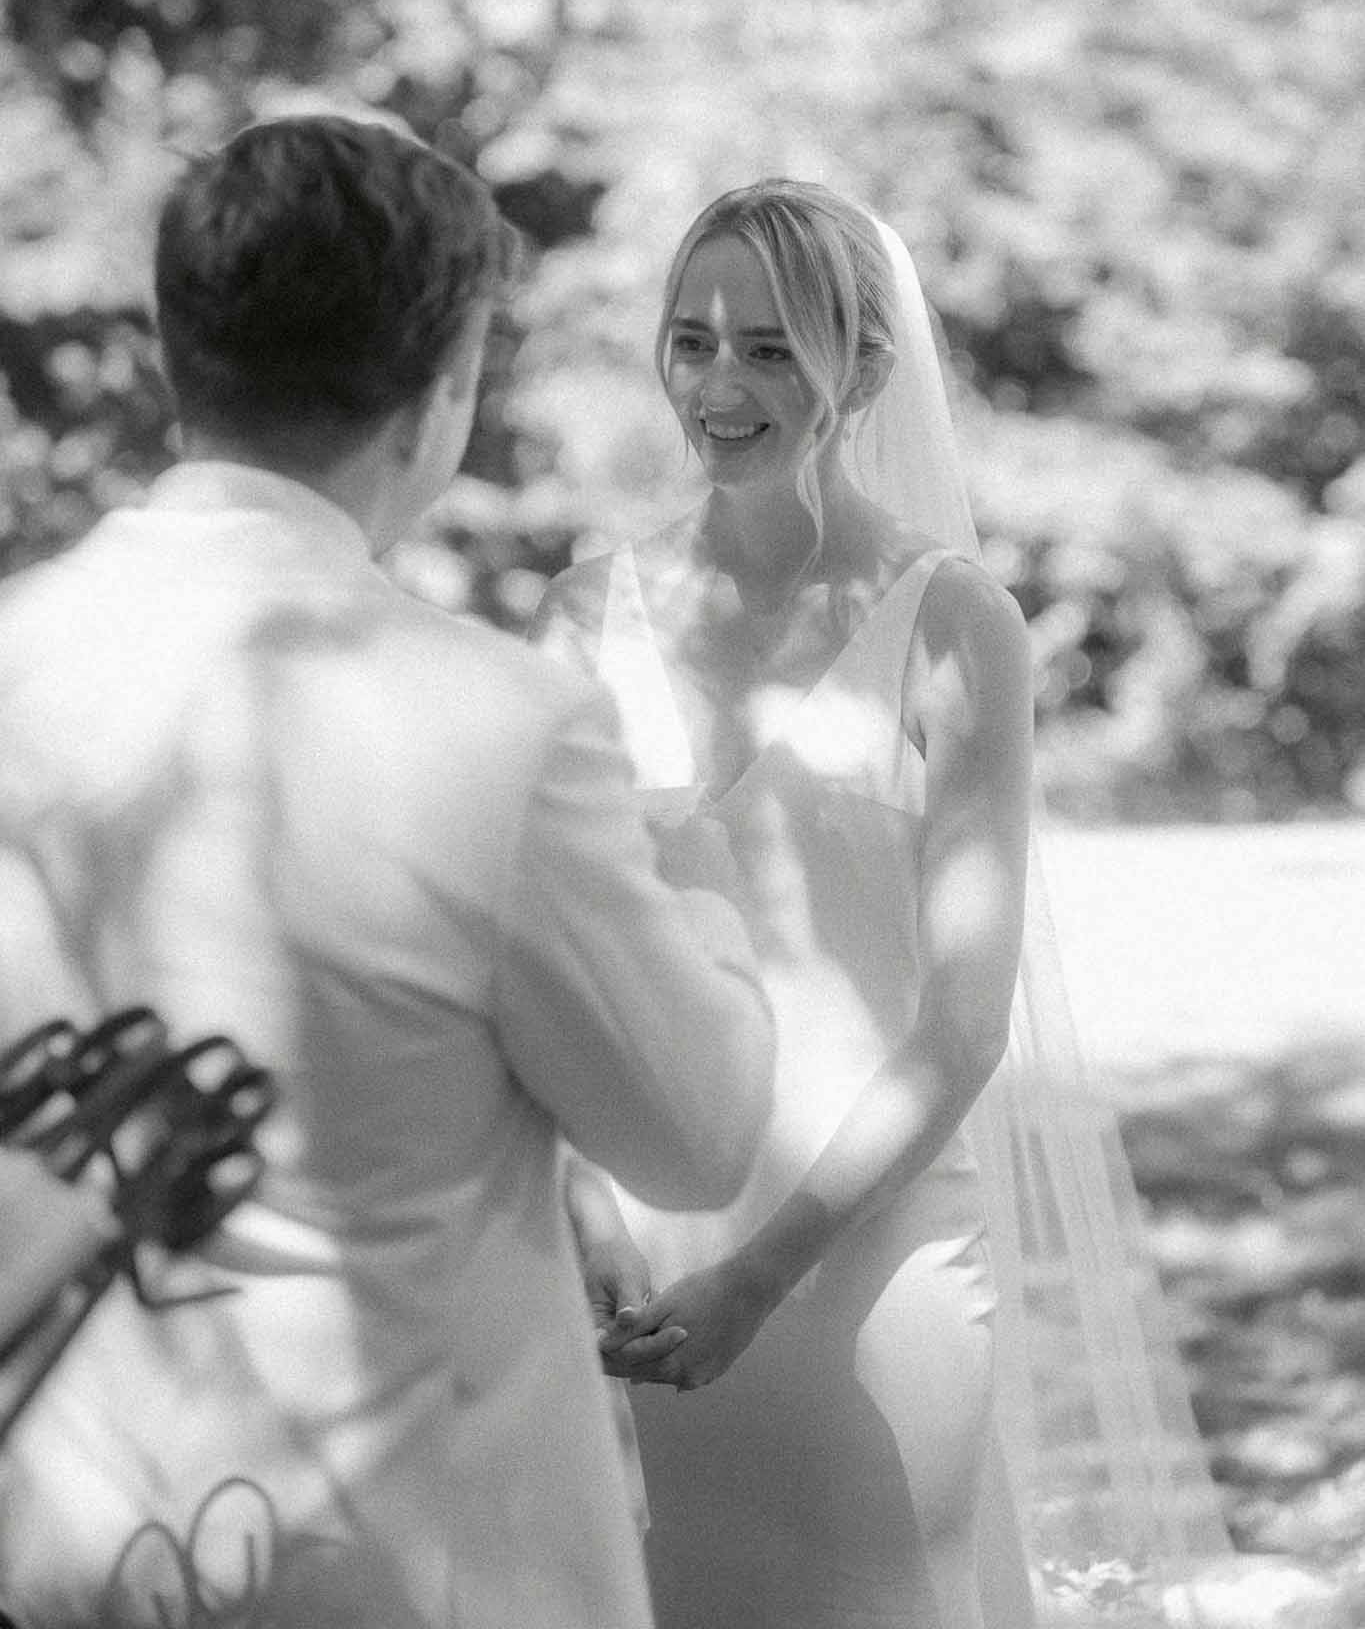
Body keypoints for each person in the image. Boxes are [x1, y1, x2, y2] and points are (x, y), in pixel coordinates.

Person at [0, 117, 775, 1629]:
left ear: (178, 354)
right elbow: (696, 1137)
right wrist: (698, 871)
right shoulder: (498, 724)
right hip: (402, 1568)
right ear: (442, 390)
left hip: (58, 1539)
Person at [531, 180, 1231, 1628]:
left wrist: (758, 1279)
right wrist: (593, 1228)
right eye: (691, 339)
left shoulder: (952, 626)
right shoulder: (582, 619)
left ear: (861, 368)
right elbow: (545, 965)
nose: (721, 385)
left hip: (871, 1262)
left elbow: (961, 1025)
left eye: (773, 348)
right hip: (628, 1274)